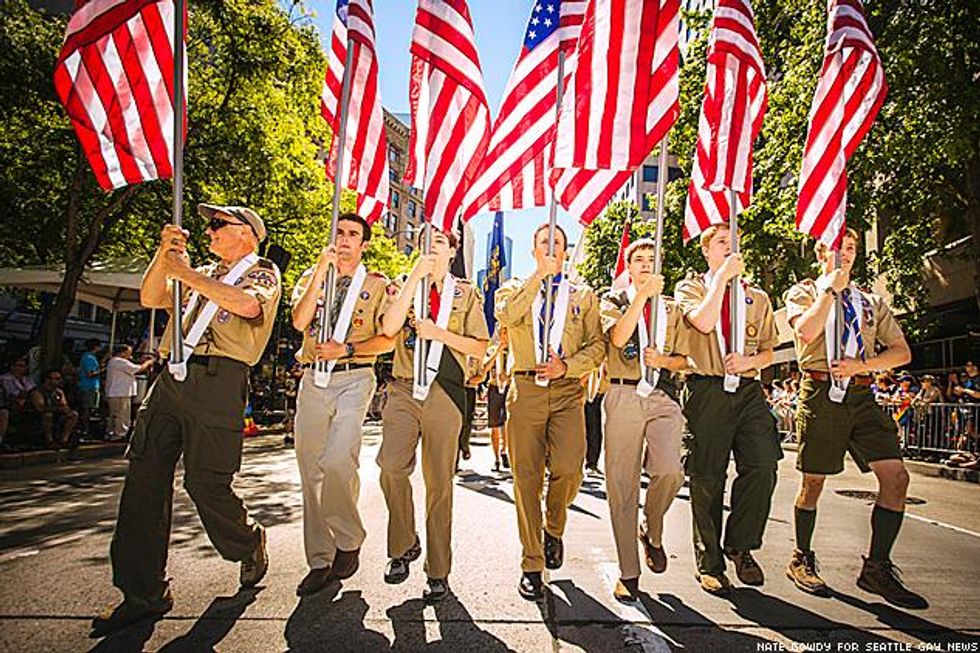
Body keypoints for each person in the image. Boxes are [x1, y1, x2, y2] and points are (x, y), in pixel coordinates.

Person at [92, 204, 281, 636]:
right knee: (144, 479)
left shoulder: (261, 270)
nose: (210, 230)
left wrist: (188, 274)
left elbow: (249, 306)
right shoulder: (202, 269)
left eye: (220, 224)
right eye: (209, 224)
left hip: (220, 379)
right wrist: (165, 256)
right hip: (172, 376)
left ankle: (247, 541)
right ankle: (141, 593)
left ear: (248, 235)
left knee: (206, 482)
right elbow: (152, 297)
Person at [783, 228, 926, 609]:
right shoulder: (804, 293)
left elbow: (901, 352)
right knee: (814, 481)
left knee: (896, 478)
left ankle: (876, 567)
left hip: (862, 393)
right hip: (820, 391)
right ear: (819, 256)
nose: (844, 255)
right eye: (836, 250)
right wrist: (831, 289)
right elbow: (806, 330)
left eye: (849, 249)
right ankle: (801, 555)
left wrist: (862, 365)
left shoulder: (870, 301)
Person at [377, 227, 489, 603]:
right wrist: (412, 280)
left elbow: (479, 345)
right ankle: (403, 544)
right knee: (391, 467)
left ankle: (438, 569)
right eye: (425, 241)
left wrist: (438, 333)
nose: (431, 247)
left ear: (452, 250)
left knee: (439, 483)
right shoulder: (401, 286)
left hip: (444, 393)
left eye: (439, 242)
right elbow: (388, 328)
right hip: (404, 388)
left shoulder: (466, 293)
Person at [495, 223, 605, 601]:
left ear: (566, 248)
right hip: (525, 389)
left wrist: (568, 366)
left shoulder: (583, 295)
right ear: (534, 248)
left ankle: (553, 526)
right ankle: (532, 563)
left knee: (570, 466)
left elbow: (598, 347)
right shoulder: (513, 286)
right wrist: (539, 276)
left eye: (557, 242)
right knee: (525, 480)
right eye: (545, 241)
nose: (551, 247)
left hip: (565, 391)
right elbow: (507, 316)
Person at [289, 213, 395, 597]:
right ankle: (320, 558)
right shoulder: (313, 276)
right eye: (339, 233)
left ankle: (348, 539)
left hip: (354, 376)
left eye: (353, 234)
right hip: (313, 379)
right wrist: (319, 272)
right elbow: (299, 322)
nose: (345, 239)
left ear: (364, 243)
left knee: (338, 460)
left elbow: (389, 339)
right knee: (310, 470)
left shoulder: (378, 284)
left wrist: (347, 348)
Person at [674, 223, 781, 596]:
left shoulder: (759, 298)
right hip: (707, 388)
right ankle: (710, 562)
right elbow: (702, 321)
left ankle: (741, 543)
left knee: (763, 464)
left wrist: (752, 360)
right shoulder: (692, 288)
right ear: (707, 251)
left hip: (749, 390)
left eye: (733, 243)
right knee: (707, 476)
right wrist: (721, 279)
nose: (730, 248)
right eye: (721, 243)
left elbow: (770, 351)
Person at [599, 238, 689, 602]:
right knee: (622, 486)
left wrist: (663, 362)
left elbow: (684, 359)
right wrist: (640, 298)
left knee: (669, 469)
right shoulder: (613, 300)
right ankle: (629, 572)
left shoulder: (672, 308)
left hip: (662, 395)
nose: (646, 265)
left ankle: (652, 528)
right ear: (629, 266)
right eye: (639, 260)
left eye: (653, 260)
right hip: (623, 393)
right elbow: (619, 338)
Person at [105, 345, 154, 440]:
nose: (130, 355)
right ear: (122, 352)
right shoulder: (118, 361)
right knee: (121, 415)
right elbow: (137, 369)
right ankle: (119, 434)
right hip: (120, 392)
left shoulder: (115, 361)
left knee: (115, 414)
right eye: (128, 352)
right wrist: (148, 363)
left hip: (118, 392)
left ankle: (112, 433)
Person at [480, 327, 511, 473]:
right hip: (494, 387)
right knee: (494, 425)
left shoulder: (516, 348)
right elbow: (485, 368)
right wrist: (498, 349)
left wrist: (508, 377)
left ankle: (505, 452)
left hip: (511, 388)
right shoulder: (494, 347)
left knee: (507, 423)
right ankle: (497, 458)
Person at [29, 369, 79, 449]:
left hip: (57, 415)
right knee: (48, 415)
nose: (58, 381)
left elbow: (64, 405)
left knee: (73, 415)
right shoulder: (37, 391)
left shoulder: (59, 392)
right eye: (55, 378)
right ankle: (49, 441)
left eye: (59, 378)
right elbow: (40, 408)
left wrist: (67, 410)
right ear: (47, 379)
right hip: (38, 416)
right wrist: (58, 409)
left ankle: (64, 440)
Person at [77, 338, 103, 438]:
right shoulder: (89, 357)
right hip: (88, 386)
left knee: (89, 408)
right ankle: (85, 430)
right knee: (87, 409)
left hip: (91, 385)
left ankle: (86, 429)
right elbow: (90, 373)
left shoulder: (91, 357)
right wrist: (103, 370)